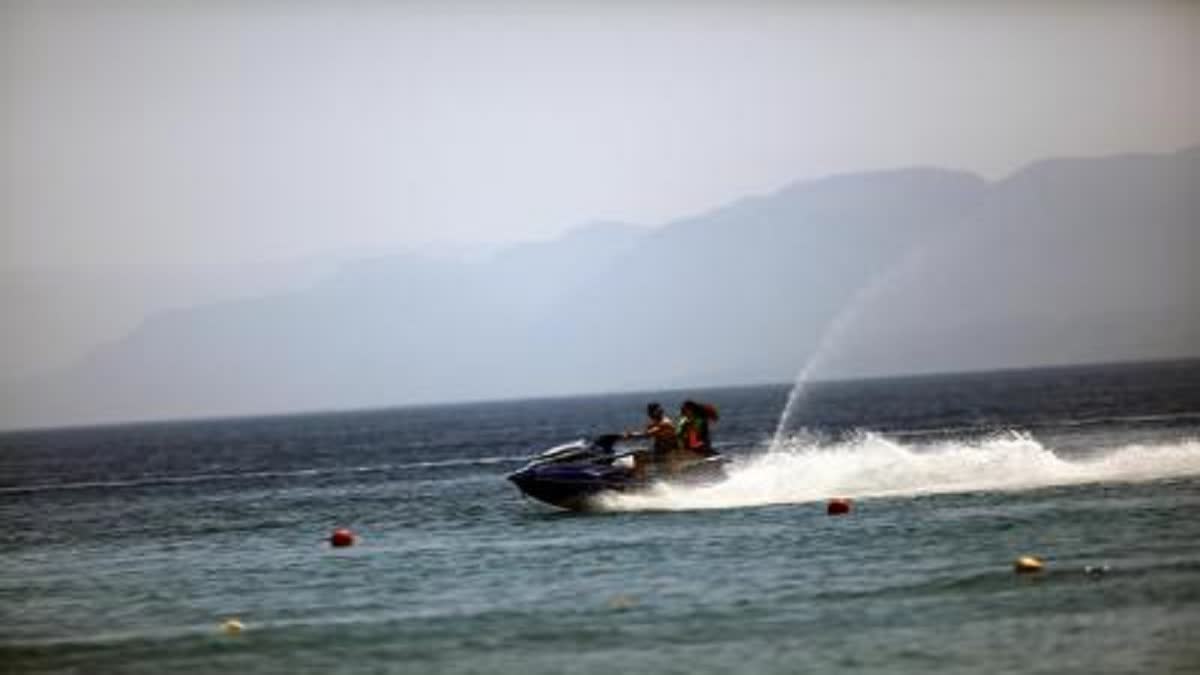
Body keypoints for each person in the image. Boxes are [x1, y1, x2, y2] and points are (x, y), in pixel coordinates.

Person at [623, 402, 679, 477]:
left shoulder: (665, 423)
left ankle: (639, 479)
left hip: (668, 453)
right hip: (661, 452)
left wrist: (631, 435)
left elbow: (648, 434)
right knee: (638, 454)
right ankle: (638, 475)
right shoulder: (656, 423)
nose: (650, 415)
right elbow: (648, 433)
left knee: (639, 456)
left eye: (651, 413)